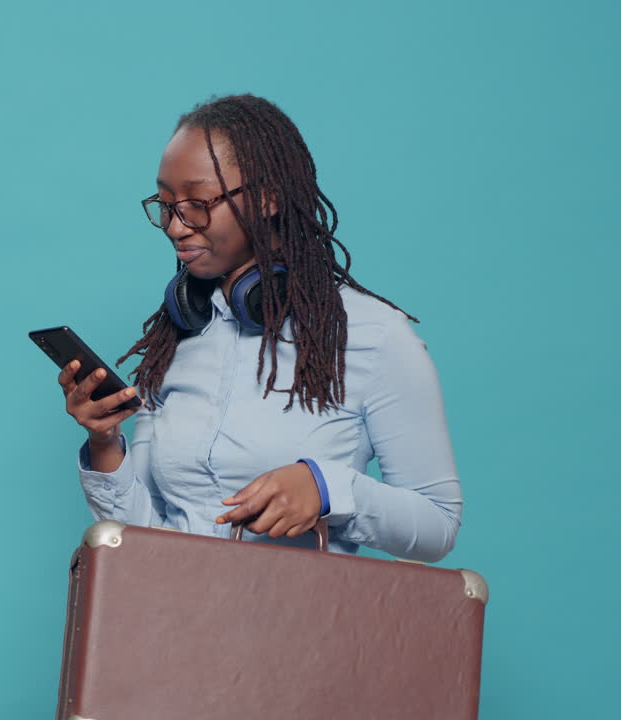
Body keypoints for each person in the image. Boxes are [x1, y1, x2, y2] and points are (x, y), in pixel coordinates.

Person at [56, 94, 461, 563]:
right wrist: (105, 443)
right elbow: (145, 535)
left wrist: (328, 488)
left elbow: (438, 524)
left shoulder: (373, 336)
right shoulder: (179, 338)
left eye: (196, 202)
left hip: (292, 626)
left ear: (267, 198)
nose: (175, 226)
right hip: (168, 624)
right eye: (165, 204)